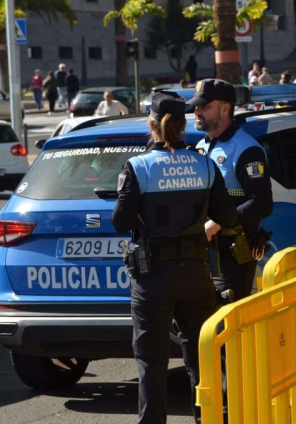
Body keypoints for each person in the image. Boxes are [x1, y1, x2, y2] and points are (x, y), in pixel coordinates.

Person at [111, 91, 239, 424]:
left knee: (151, 362)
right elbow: (228, 214)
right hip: (195, 274)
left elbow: (120, 223)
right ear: (183, 126)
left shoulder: (138, 167)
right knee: (201, 358)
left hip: (152, 276)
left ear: (151, 125)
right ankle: (207, 419)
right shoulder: (204, 163)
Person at [189, 78, 273, 303]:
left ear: (225, 108)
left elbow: (262, 202)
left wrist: (218, 223)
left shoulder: (246, 149)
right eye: (197, 106)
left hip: (233, 255)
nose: (197, 111)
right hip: (202, 254)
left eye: (205, 106)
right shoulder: (201, 146)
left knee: (227, 322)